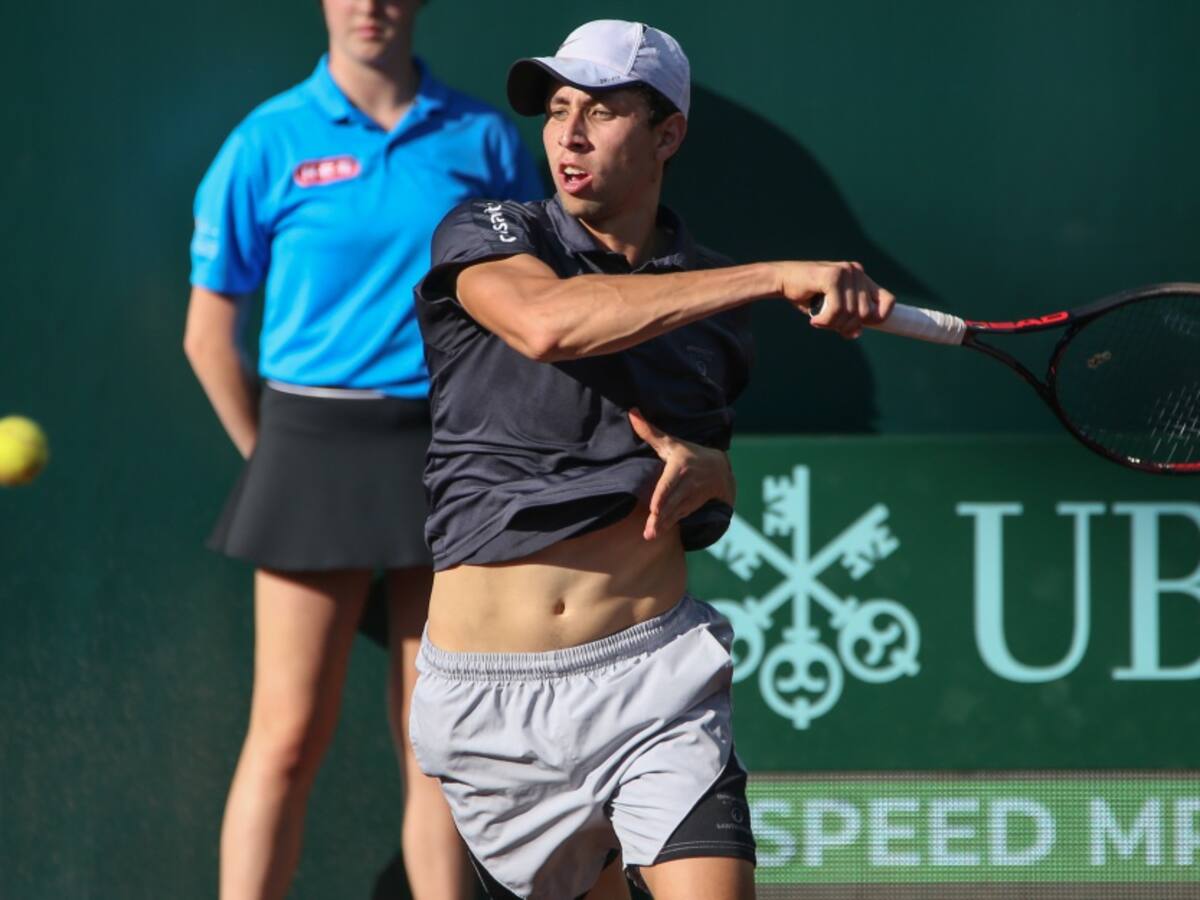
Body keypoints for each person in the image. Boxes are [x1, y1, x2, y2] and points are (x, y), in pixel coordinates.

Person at [408, 18, 894, 900]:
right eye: (558, 110)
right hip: (489, 704)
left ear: (667, 134)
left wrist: (718, 480)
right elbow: (548, 326)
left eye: (601, 111)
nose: (570, 134)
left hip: (650, 680)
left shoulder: (713, 314)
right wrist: (775, 274)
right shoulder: (486, 231)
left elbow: (695, 480)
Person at [183, 1, 541, 897]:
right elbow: (207, 334)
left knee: (439, 743)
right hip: (310, 444)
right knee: (288, 736)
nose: (370, 6)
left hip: (448, 451)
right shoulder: (268, 140)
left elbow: (530, 304)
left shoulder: (485, 139)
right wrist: (269, 456)